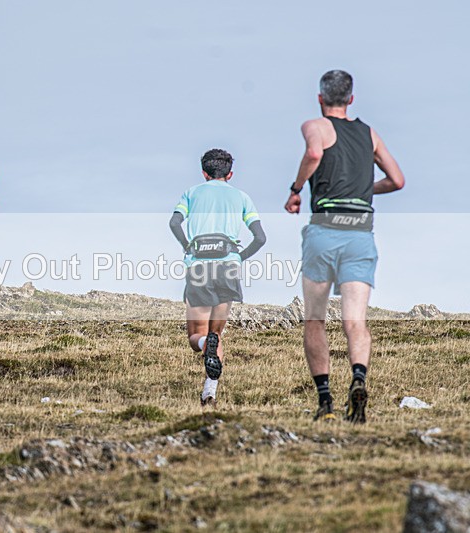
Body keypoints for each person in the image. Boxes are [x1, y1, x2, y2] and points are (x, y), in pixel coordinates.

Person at [285, 70, 405, 423]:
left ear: (320, 99)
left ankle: (325, 402)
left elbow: (312, 152)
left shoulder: (316, 125)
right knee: (355, 319)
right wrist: (365, 190)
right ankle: (358, 377)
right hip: (360, 233)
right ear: (351, 99)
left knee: (315, 318)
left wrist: (296, 188)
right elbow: (397, 180)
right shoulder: (368, 134)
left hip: (325, 230)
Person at [170, 149, 266, 408]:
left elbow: (174, 223)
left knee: (196, 337)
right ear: (230, 173)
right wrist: (239, 257)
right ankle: (209, 392)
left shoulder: (191, 193)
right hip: (228, 266)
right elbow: (260, 238)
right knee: (217, 333)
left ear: (204, 172)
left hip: (199, 265)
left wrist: (186, 245)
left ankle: (205, 344)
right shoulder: (242, 197)